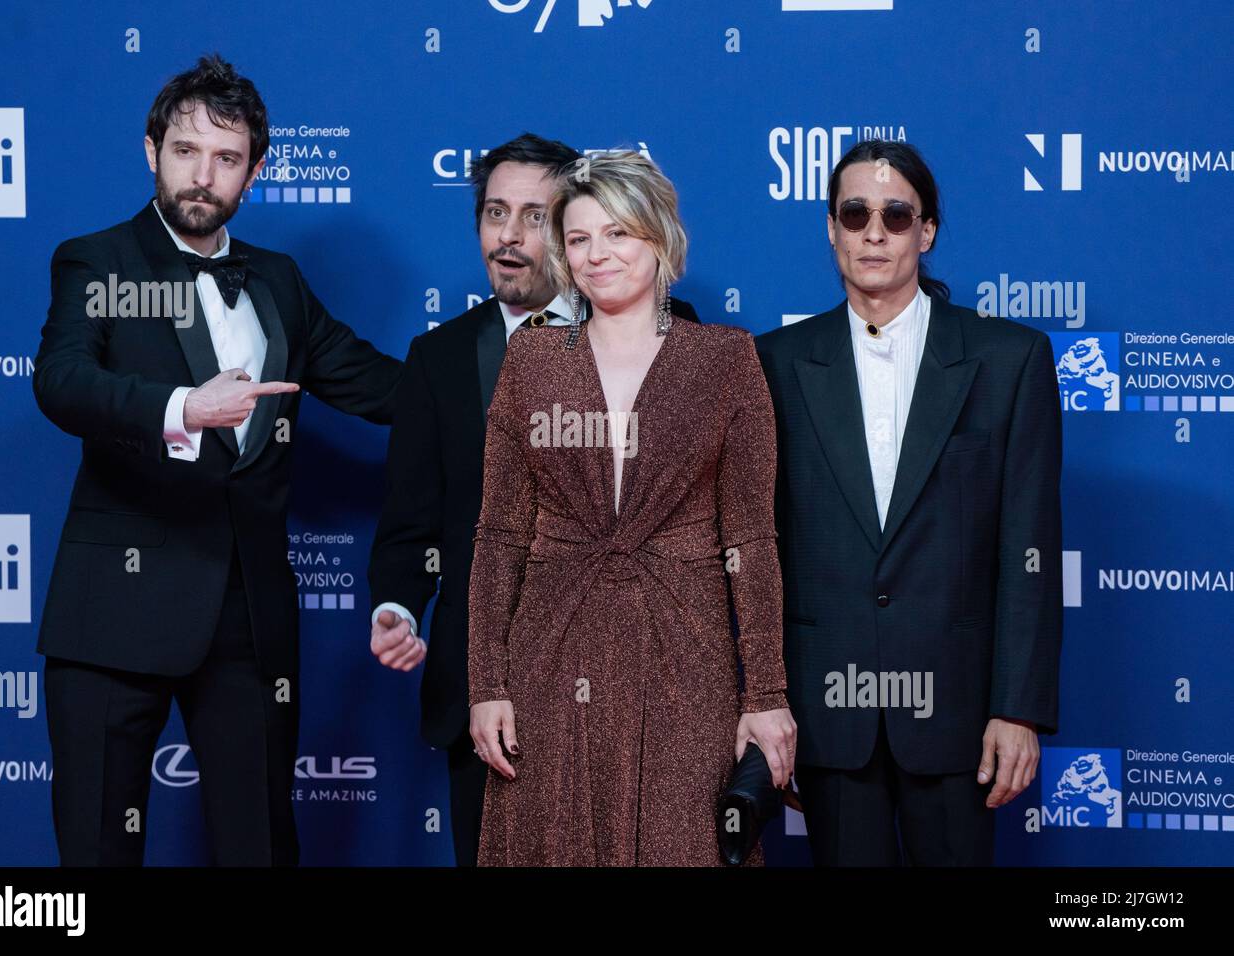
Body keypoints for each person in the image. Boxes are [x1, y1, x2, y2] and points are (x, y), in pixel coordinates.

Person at [33, 54, 401, 866]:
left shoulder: (279, 281)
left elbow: (380, 387)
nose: (204, 176)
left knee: (260, 848)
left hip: (249, 621)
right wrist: (183, 408)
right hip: (114, 615)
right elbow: (62, 382)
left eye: (227, 158)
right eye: (186, 151)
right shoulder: (97, 262)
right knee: (95, 852)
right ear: (151, 150)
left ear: (255, 171)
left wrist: (518, 387)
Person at [366, 134, 699, 866]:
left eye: (533, 217)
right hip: (488, 699)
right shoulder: (440, 359)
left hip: (638, 683)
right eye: (494, 214)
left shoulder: (679, 341)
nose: (509, 238)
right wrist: (395, 606)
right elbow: (410, 522)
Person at [466, 151, 795, 866]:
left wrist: (766, 693)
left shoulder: (725, 360)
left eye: (617, 234)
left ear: (659, 239)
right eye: (579, 239)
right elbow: (498, 536)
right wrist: (486, 684)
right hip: (550, 656)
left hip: (688, 656)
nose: (596, 255)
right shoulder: (532, 360)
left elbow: (751, 537)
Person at [755, 140, 1063, 866]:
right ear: (831, 227)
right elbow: (756, 545)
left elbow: (1030, 552)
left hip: (958, 716)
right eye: (855, 212)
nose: (874, 231)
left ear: (926, 231)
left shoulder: (1009, 361)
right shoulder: (773, 365)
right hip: (827, 713)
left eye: (896, 215)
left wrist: (1016, 708)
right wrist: (766, 703)